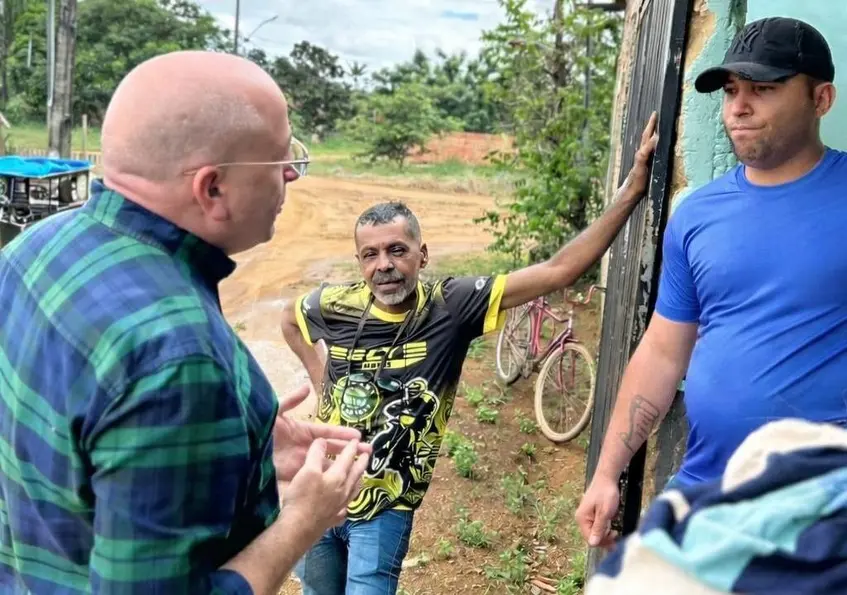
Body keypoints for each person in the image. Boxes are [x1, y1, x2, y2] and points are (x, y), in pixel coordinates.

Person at [0, 50, 372, 595]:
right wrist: (303, 519)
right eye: (280, 158)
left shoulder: (32, 250)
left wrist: (243, 450)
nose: (292, 172)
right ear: (212, 188)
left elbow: (77, 438)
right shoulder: (180, 356)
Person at [280, 114, 660, 594]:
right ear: (359, 262)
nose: (384, 266)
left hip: (384, 504)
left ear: (422, 254)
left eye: (397, 250)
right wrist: (322, 379)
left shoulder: (451, 305)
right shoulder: (336, 303)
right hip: (321, 492)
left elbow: (558, 271)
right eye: (370, 255)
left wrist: (630, 191)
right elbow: (289, 322)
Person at [576, 16, 847, 551]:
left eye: (762, 89)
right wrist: (608, 473)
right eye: (730, 90)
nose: (738, 107)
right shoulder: (697, 214)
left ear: (821, 99)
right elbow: (661, 352)